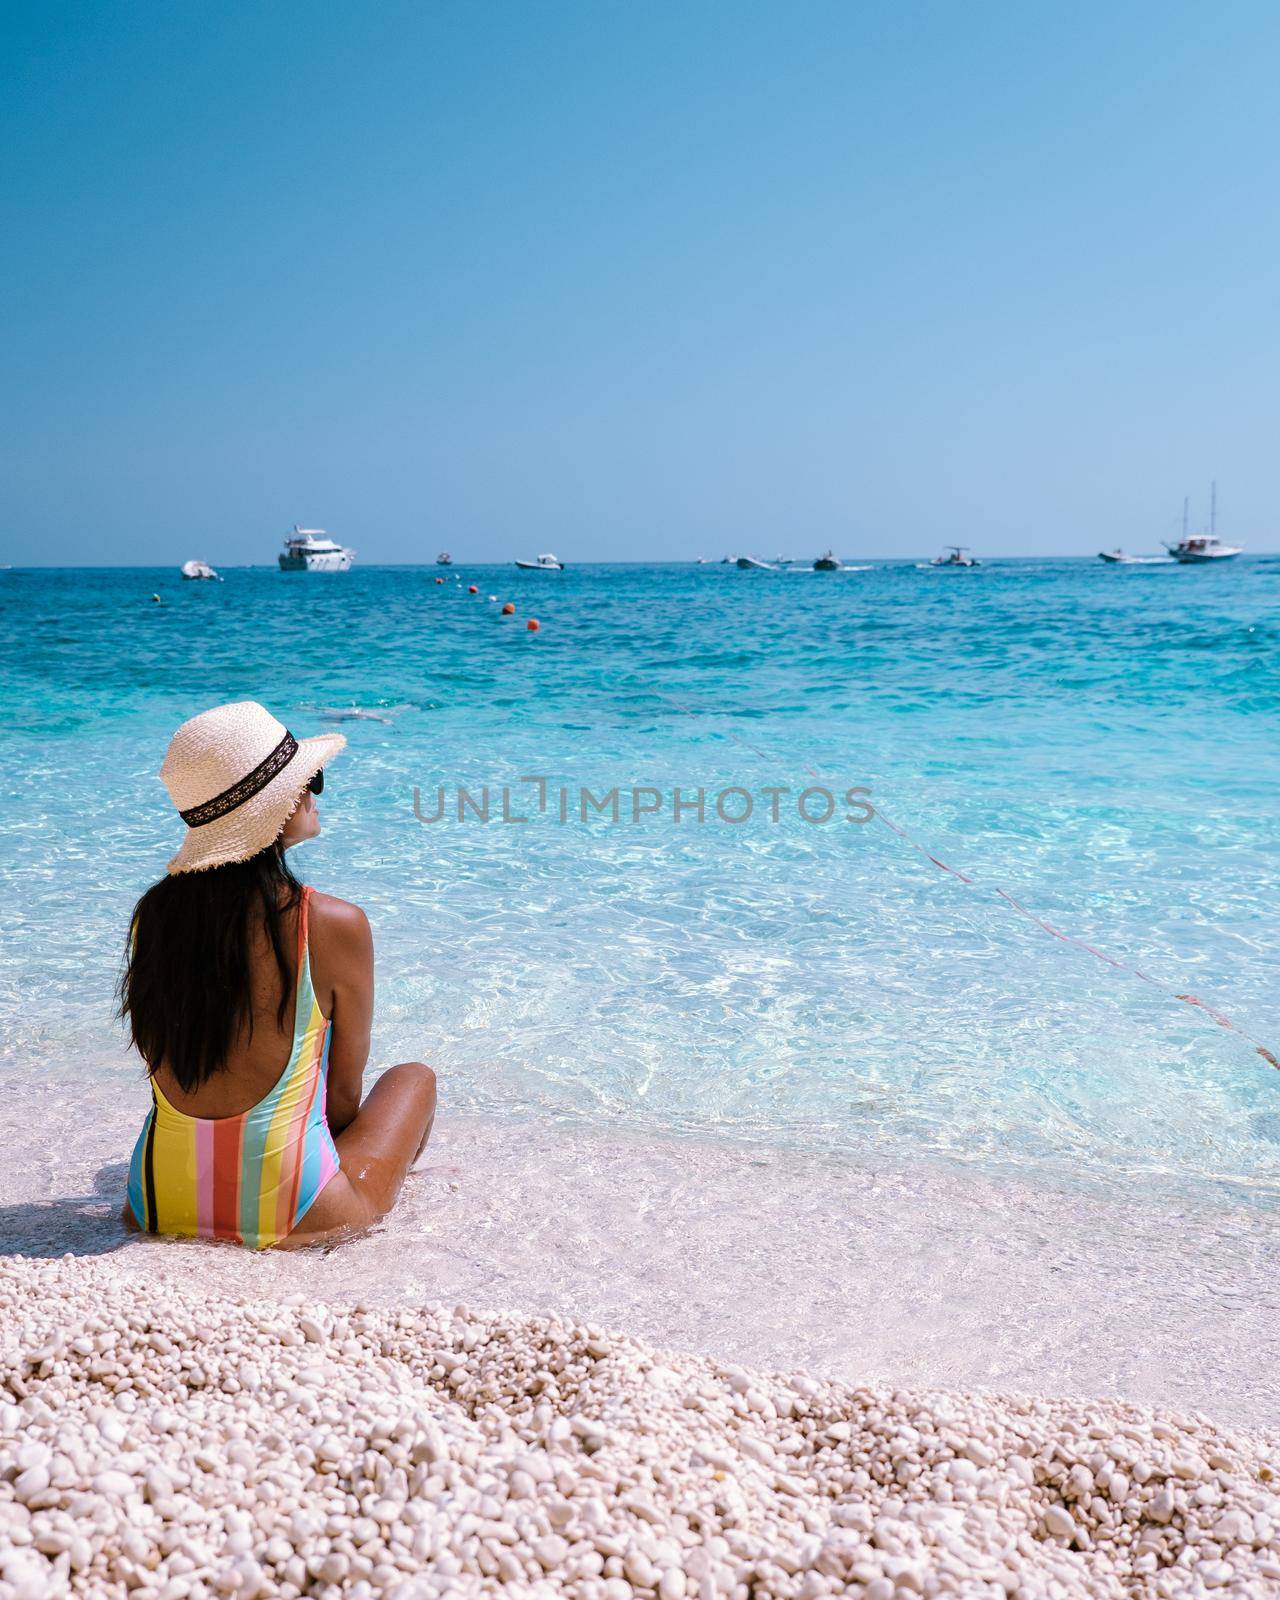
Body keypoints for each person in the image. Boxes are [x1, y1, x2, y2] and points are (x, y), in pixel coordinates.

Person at [119, 700, 436, 1249]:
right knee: (413, 1079)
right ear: (278, 805)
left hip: (153, 1201)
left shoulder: (155, 917)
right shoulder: (333, 924)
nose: (314, 791)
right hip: (296, 1213)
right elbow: (340, 1097)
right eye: (308, 779)